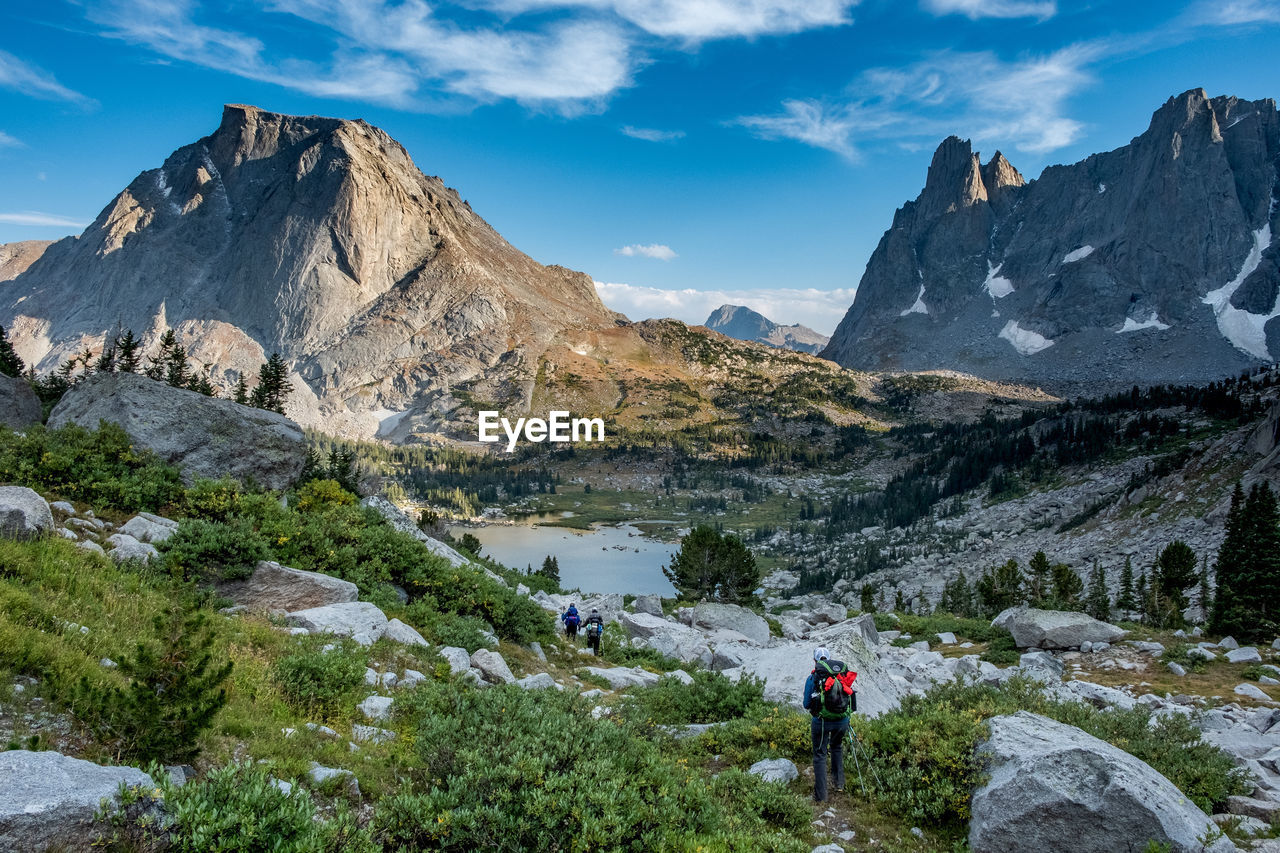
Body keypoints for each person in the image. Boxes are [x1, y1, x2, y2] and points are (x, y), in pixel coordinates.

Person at [802, 646, 856, 803]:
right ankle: (838, 784)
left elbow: (806, 704)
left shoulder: (813, 678)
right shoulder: (841, 676)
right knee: (836, 747)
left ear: (815, 661)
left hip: (822, 722)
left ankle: (821, 797)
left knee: (820, 755)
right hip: (842, 721)